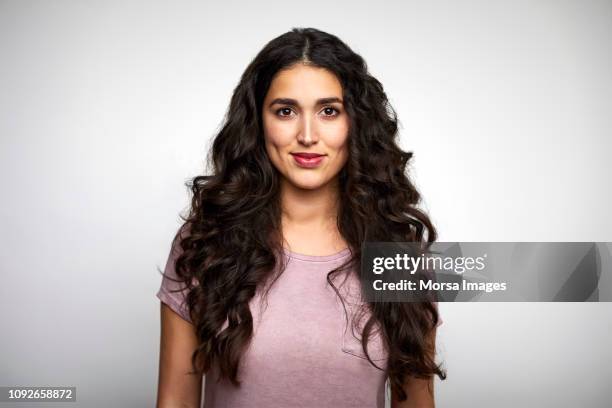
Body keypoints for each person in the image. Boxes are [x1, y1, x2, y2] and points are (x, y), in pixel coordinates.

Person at [156, 27, 446, 408]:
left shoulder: (396, 250)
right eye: (285, 111)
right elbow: (176, 399)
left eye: (329, 111)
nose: (307, 135)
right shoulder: (206, 240)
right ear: (258, 122)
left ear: (355, 122)